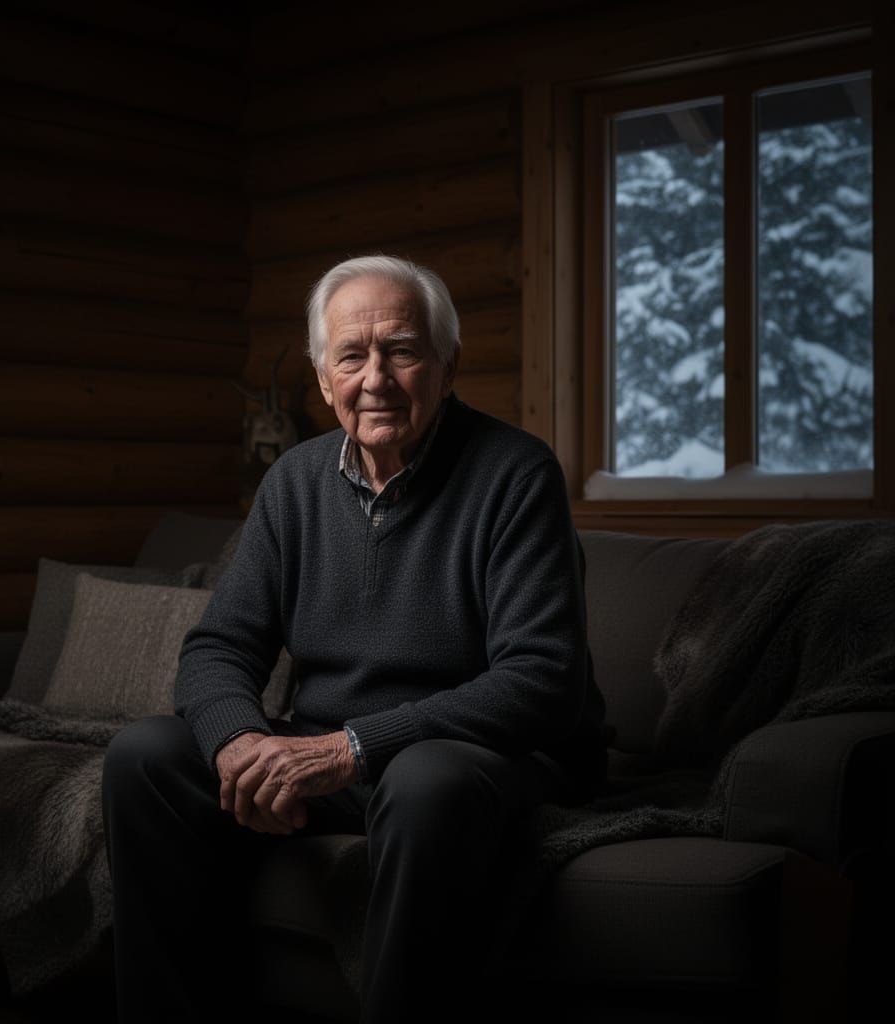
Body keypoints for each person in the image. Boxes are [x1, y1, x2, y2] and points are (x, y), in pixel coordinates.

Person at [101, 255, 607, 1023]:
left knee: (425, 780)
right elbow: (219, 648)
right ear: (321, 373)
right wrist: (239, 745)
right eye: (351, 354)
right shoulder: (294, 483)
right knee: (146, 758)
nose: (376, 376)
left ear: (447, 365)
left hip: (475, 755)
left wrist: (349, 750)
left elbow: (541, 681)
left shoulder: (516, 474)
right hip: (330, 756)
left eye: (401, 350)